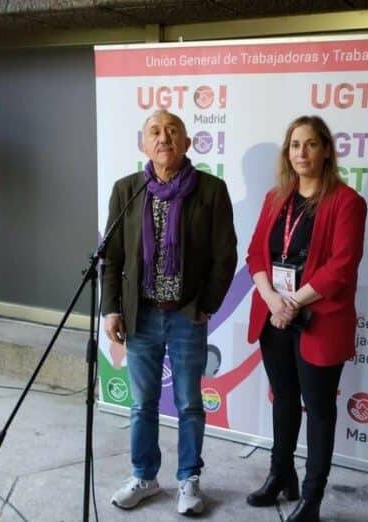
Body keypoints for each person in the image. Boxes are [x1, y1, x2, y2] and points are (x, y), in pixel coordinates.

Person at [102, 109, 237, 516]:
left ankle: (188, 479)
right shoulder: (127, 190)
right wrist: (111, 309)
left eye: (173, 131)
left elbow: (225, 255)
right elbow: (112, 258)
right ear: (144, 143)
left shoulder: (210, 190)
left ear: (186, 143)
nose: (164, 138)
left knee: (189, 403)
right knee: (142, 403)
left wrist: (206, 305)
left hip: (186, 316)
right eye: (155, 132)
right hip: (139, 315)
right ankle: (144, 476)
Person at [245, 115, 367, 521]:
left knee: (318, 408)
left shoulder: (347, 202)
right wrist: (271, 299)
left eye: (311, 144)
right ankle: (281, 475)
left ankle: (312, 498)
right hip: (275, 315)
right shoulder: (275, 198)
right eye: (295, 145)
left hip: (320, 319)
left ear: (326, 150)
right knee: (283, 398)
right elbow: (256, 255)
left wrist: (292, 302)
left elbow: (341, 266)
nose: (302, 153)